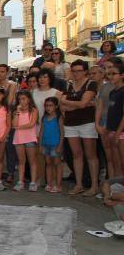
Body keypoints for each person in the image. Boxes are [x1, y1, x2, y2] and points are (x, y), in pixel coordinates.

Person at [60, 59, 100, 196]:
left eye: (79, 71)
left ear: (85, 72)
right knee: (76, 155)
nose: (76, 73)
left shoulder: (91, 84)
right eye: (74, 71)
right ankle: (79, 184)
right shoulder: (69, 84)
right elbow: (62, 106)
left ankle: (94, 186)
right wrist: (78, 104)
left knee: (90, 155)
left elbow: (83, 103)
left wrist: (68, 102)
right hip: (70, 123)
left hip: (87, 122)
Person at [12, 91, 39, 192]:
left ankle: (33, 182)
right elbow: (13, 123)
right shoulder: (16, 110)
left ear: (28, 99)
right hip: (19, 138)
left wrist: (18, 127)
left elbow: (31, 124)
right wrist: (17, 112)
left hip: (30, 138)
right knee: (21, 161)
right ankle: (20, 182)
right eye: (19, 99)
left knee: (32, 160)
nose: (21, 101)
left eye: (23, 99)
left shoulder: (33, 110)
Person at [104, 59, 124, 179]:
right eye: (109, 74)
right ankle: (117, 188)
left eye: (113, 74)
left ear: (122, 75)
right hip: (112, 130)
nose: (110, 76)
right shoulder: (113, 92)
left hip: (120, 132)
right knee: (116, 162)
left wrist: (117, 133)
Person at [40, 97, 64, 193]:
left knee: (57, 164)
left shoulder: (59, 117)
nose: (48, 108)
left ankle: (58, 185)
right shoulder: (44, 118)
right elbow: (41, 132)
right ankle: (49, 184)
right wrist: (40, 145)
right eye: (46, 106)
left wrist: (60, 145)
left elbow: (62, 133)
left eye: (50, 105)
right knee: (49, 164)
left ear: (56, 106)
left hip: (55, 144)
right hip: (46, 144)